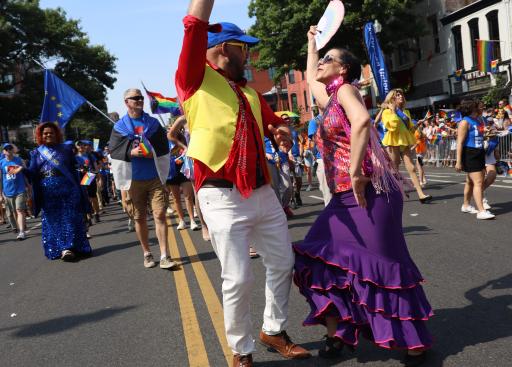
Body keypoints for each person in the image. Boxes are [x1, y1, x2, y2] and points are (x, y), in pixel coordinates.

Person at [176, 1, 310, 365]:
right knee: (237, 279)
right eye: (243, 48)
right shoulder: (194, 79)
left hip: (263, 192)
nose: (248, 55)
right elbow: (194, 24)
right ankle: (241, 351)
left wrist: (280, 129)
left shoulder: (248, 92)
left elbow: (273, 120)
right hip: (220, 196)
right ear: (222, 49)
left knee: (282, 263)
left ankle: (273, 329)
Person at [293, 25, 433, 366]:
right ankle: (338, 332)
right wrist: (312, 44)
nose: (322, 62)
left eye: (329, 59)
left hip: (370, 192)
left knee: (386, 266)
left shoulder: (346, 93)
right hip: (343, 200)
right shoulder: (328, 101)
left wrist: (356, 172)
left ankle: (414, 341)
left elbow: (361, 123)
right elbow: (311, 79)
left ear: (343, 70)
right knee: (318, 257)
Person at [109, 88, 178, 269]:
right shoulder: (119, 127)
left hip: (155, 177)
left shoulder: (153, 124)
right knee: (139, 218)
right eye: (135, 98)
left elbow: (164, 148)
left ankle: (165, 255)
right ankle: (147, 253)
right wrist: (130, 151)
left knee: (160, 215)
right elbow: (114, 152)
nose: (139, 100)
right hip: (133, 180)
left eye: (140, 98)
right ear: (126, 102)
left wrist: (152, 153)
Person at [25, 122, 92, 260]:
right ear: (41, 136)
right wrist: (22, 170)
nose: (48, 135)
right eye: (45, 133)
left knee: (71, 217)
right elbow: (32, 173)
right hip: (47, 192)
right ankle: (63, 248)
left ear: (56, 134)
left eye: (51, 132)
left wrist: (84, 175)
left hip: (67, 188)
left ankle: (70, 247)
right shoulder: (36, 153)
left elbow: (74, 167)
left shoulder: (66, 149)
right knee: (54, 220)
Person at [381, 89, 432, 203]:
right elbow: (392, 127)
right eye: (397, 95)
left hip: (404, 141)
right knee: (394, 169)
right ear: (392, 98)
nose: (400, 96)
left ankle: (421, 194)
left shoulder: (405, 112)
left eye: (401, 94)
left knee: (412, 168)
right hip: (393, 141)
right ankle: (394, 193)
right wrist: (393, 111)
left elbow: (409, 130)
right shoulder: (387, 112)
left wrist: (416, 125)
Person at [456, 99, 495, 219]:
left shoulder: (477, 120)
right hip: (470, 153)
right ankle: (481, 211)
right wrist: (458, 161)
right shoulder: (464, 122)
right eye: (477, 106)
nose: (481, 108)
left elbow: (479, 136)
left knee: (470, 181)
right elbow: (460, 143)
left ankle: (466, 205)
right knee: (478, 182)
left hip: (479, 152)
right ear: (471, 107)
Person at [0, 143, 30, 240]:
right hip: (7, 191)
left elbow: (26, 173)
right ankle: (20, 226)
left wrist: (28, 185)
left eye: (10, 148)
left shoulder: (19, 160)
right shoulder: (1, 163)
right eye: (6, 149)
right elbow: (0, 179)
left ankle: (21, 232)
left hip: (20, 189)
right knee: (12, 212)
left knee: (19, 210)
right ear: (3, 151)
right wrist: (0, 193)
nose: (8, 150)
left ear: (13, 150)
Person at [308, 112, 332, 206]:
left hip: (338, 159)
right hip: (323, 159)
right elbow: (315, 140)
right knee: (328, 194)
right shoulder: (314, 122)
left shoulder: (335, 116)